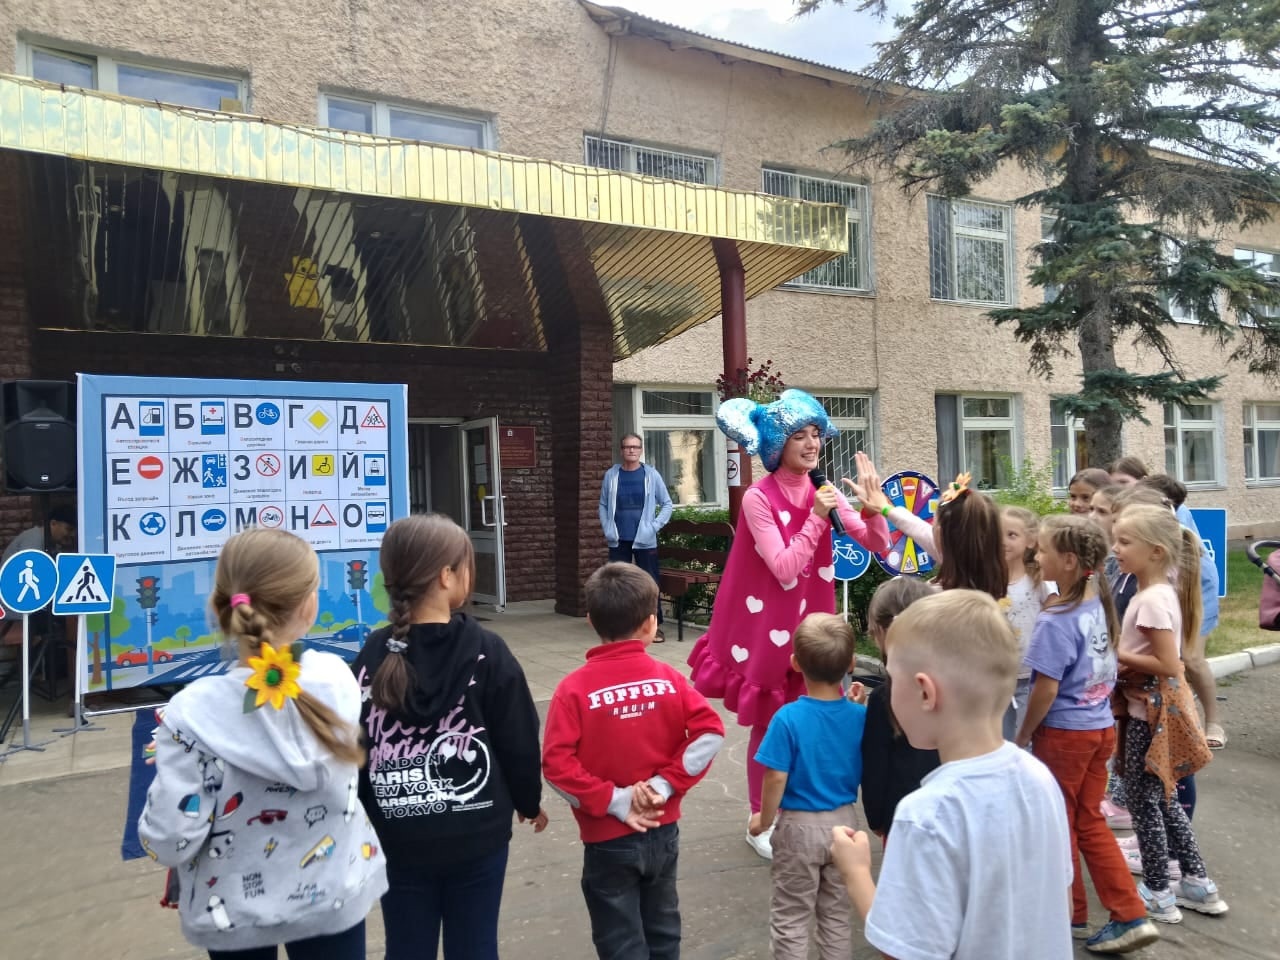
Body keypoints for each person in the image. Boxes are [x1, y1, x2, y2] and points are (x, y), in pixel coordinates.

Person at [137, 528, 387, 958]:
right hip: (333, 898)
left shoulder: (191, 713)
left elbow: (172, 837)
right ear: (309, 605)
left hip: (232, 914)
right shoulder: (336, 681)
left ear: (221, 603)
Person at [687, 389, 891, 859]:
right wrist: (818, 517)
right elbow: (784, 568)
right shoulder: (758, 498)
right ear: (779, 445)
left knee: (815, 714)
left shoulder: (824, 490)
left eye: (816, 433)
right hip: (765, 624)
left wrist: (873, 508)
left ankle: (801, 805)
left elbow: (876, 543)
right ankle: (761, 819)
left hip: (811, 621)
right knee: (770, 723)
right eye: (800, 435)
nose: (812, 443)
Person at [829, 590, 1073, 960]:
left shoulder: (924, 815)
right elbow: (1061, 906)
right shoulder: (1040, 779)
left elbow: (902, 952)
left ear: (925, 693)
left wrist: (856, 874)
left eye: (891, 679)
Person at [353, 514, 547, 960]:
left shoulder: (371, 654)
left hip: (396, 835)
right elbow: (518, 738)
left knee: (406, 948)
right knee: (475, 946)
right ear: (446, 576)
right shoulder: (487, 650)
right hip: (477, 835)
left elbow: (353, 747)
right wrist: (528, 801)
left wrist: (366, 813)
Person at [542, 562, 725, 960]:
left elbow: (555, 767)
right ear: (650, 623)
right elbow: (711, 734)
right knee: (664, 931)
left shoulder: (572, 690)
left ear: (590, 621)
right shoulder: (670, 679)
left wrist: (615, 800)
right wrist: (664, 785)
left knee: (620, 942)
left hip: (606, 838)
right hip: (662, 826)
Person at [1015, 515, 1159, 954]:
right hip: (1098, 731)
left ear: (1068, 561)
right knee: (1087, 820)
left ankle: (1084, 914)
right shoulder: (1099, 604)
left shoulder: (1056, 619)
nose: (1035, 555)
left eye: (1042, 549)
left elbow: (1046, 689)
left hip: (1063, 736)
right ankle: (1115, 913)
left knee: (1062, 824)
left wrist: (1022, 736)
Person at [1111, 505, 1226, 923]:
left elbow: (1169, 665)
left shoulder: (1152, 603)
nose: (1115, 548)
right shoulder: (1156, 596)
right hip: (1150, 711)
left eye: (1125, 542)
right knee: (1165, 799)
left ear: (1156, 552)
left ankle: (1158, 891)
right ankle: (1196, 883)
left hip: (1149, 716)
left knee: (1145, 804)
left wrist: (1114, 653)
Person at [748, 613, 866, 960]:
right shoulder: (860, 717)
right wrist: (856, 708)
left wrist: (763, 820)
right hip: (845, 825)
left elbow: (775, 776)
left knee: (791, 915)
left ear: (795, 664)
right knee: (835, 914)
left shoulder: (787, 718)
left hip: (798, 827)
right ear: (851, 663)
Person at [850, 577, 938, 844]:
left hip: (900, 816)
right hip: (949, 810)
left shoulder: (884, 697)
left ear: (878, 630)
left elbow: (875, 763)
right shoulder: (953, 685)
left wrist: (876, 816)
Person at [1140, 474, 1225, 749]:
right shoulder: (1142, 523)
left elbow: (1187, 575)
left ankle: (1213, 722)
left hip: (1196, 591)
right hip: (1166, 593)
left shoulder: (1176, 526)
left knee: (1190, 657)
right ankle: (1177, 722)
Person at [598, 433, 674, 641]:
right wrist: (607, 527)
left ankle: (654, 626)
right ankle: (618, 628)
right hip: (618, 539)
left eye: (635, 447)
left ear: (641, 450)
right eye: (627, 447)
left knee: (649, 583)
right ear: (621, 450)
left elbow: (667, 504)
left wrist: (654, 527)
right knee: (616, 584)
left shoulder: (651, 475)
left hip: (645, 540)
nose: (631, 450)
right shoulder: (611, 475)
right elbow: (603, 504)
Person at [1001, 506, 1054, 736]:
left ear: (1030, 541)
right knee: (1000, 736)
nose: (1002, 541)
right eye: (997, 534)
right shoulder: (988, 578)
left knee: (1026, 736)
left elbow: (1054, 621)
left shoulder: (1039, 579)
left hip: (1029, 674)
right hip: (997, 675)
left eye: (1011, 535)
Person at [0, 504, 77, 645]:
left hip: (27, 603)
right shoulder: (33, 539)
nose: (71, 535)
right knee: (65, 619)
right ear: (53, 523)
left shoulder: (49, 543)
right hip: (17, 606)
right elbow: (39, 573)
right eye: (69, 529)